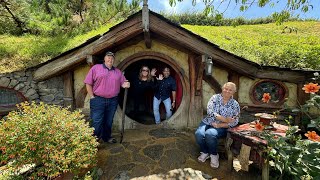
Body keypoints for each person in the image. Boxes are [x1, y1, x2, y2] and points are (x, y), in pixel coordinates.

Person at [84, 51, 130, 144]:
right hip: (98, 100)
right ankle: (94, 142)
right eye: (108, 57)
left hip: (113, 100)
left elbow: (123, 82)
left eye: (112, 58)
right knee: (96, 122)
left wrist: (126, 84)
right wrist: (92, 96)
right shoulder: (96, 68)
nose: (110, 59)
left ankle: (107, 137)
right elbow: (88, 83)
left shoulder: (117, 72)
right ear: (104, 59)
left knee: (108, 121)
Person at [195, 82, 240, 168]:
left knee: (210, 134)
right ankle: (205, 152)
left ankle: (214, 155)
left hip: (222, 126)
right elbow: (210, 111)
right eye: (226, 88)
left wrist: (220, 125)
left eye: (230, 90)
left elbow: (235, 121)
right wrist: (224, 119)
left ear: (233, 92)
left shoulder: (235, 104)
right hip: (208, 121)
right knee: (199, 134)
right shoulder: (215, 98)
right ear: (222, 89)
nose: (227, 91)